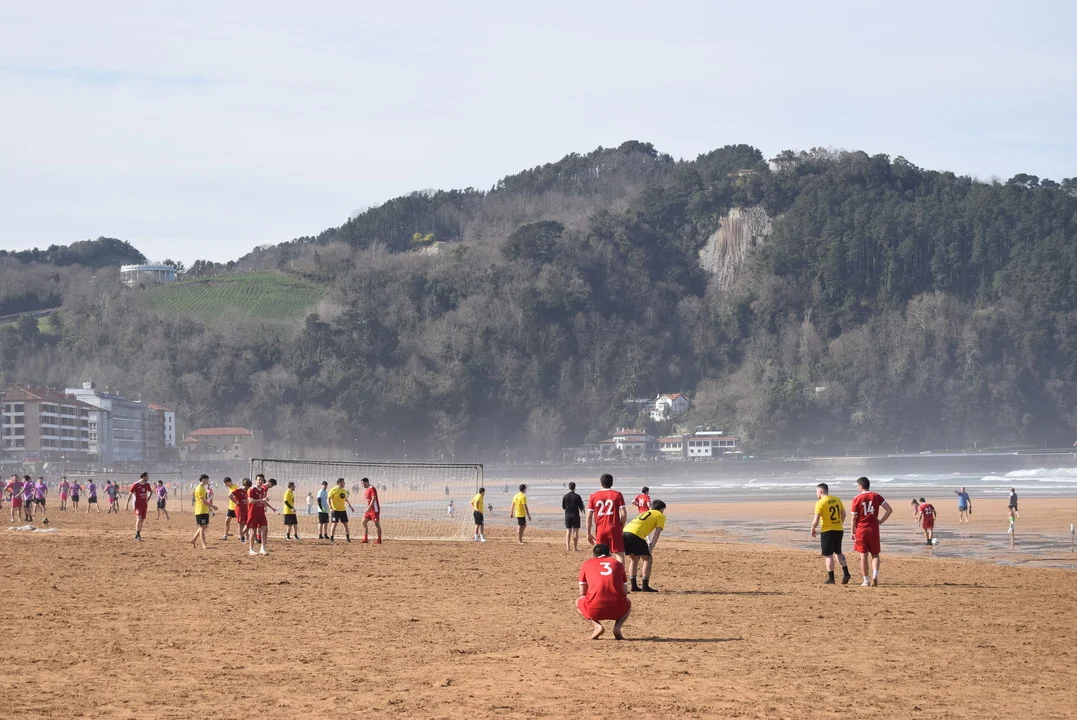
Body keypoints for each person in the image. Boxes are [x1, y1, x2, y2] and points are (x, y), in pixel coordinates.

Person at [576, 544, 631, 641]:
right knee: (628, 602)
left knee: (578, 602)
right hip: (618, 608)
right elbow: (625, 592)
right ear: (609, 554)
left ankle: (597, 626)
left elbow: (582, 592)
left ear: (593, 555)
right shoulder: (618, 564)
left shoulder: (587, 564)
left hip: (594, 608)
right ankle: (617, 627)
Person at [850, 476, 892, 587]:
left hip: (861, 530)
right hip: (873, 529)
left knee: (863, 556)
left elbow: (853, 518)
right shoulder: (876, 496)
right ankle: (875, 576)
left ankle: (865, 580)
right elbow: (889, 509)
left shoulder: (856, 498)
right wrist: (881, 521)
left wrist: (852, 531)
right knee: (875, 554)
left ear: (860, 486)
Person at [623, 500, 667, 592]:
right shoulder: (660, 515)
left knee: (634, 559)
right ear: (661, 509)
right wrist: (651, 547)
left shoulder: (645, 512)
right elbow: (657, 533)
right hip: (636, 534)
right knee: (648, 558)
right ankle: (645, 586)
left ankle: (634, 586)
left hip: (625, 532)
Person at [810, 483, 851, 585]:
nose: (816, 494)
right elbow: (844, 514)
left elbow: (816, 519)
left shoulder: (820, 503)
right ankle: (846, 573)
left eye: (816, 492)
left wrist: (813, 528)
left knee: (828, 555)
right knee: (838, 552)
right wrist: (839, 523)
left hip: (827, 531)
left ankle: (831, 579)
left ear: (821, 491)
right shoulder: (837, 499)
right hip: (838, 529)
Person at [587, 474, 627, 564]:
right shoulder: (617, 494)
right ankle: (620, 572)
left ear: (601, 483)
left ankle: (601, 572)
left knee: (600, 555)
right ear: (612, 483)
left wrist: (588, 533)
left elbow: (589, 516)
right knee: (619, 554)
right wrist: (621, 527)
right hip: (614, 528)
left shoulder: (593, 496)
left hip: (600, 529)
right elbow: (624, 513)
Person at [246, 477, 277, 555]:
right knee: (253, 531)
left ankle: (262, 548)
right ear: (256, 480)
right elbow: (250, 501)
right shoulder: (251, 489)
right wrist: (261, 500)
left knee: (265, 530)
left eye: (262, 480)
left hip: (261, 513)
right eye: (259, 480)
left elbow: (263, 501)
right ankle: (251, 549)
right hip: (253, 513)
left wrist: (271, 508)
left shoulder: (263, 490)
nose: (260, 481)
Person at [125, 472, 154, 541]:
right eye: (147, 477)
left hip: (144, 504)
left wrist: (148, 499)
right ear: (144, 477)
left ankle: (138, 534)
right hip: (137, 504)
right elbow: (130, 494)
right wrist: (126, 504)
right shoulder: (136, 484)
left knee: (142, 520)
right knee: (139, 518)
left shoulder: (147, 485)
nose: (148, 478)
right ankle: (137, 534)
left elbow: (150, 492)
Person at [189, 474, 215, 549]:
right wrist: (212, 506)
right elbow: (203, 501)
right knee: (202, 527)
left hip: (204, 510)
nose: (208, 481)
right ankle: (204, 544)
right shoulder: (199, 488)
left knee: (204, 526)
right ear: (203, 479)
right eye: (207, 479)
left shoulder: (202, 487)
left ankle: (194, 539)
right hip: (200, 510)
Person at [328, 478, 354, 542]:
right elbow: (328, 499)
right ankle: (331, 538)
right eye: (343, 482)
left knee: (345, 524)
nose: (344, 483)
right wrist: (330, 507)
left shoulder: (344, 490)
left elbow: (346, 499)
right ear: (339, 483)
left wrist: (350, 506)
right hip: (335, 510)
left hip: (343, 510)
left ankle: (348, 538)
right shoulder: (333, 490)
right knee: (334, 524)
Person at [562, 482, 585, 551]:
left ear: (569, 487)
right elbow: (581, 507)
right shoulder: (577, 496)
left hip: (568, 515)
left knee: (568, 531)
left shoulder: (565, 496)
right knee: (575, 532)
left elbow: (563, 507)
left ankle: (568, 548)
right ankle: (575, 548)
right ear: (575, 487)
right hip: (575, 515)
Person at [360, 477, 382, 544]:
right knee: (363, 523)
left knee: (377, 524)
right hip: (369, 510)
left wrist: (369, 507)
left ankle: (379, 539)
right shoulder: (367, 490)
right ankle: (365, 538)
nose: (362, 485)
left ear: (366, 482)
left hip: (374, 510)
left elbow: (373, 498)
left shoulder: (372, 488)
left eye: (362, 483)